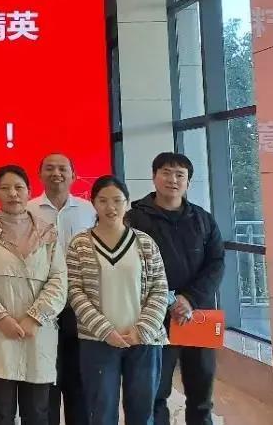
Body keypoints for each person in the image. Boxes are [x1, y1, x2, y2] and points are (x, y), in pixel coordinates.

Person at [0, 165, 67, 425]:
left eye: (19, 187)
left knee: (38, 411)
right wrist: (0, 316)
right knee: (0, 411)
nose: (13, 193)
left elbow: (58, 280)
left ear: (29, 192)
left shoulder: (47, 232)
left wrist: (35, 317)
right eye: (5, 188)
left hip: (38, 332)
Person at [126, 153, 224, 425]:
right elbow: (128, 267)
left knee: (201, 392)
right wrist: (168, 300)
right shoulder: (134, 219)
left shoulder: (203, 219)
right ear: (154, 177)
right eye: (166, 173)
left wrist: (189, 299)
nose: (173, 179)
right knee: (155, 391)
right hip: (153, 316)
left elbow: (216, 263)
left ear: (188, 182)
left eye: (180, 175)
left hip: (197, 314)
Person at [67, 175, 168, 425]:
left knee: (142, 412)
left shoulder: (145, 243)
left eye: (117, 200)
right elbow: (75, 291)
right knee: (101, 412)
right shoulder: (80, 243)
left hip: (144, 341)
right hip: (97, 340)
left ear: (127, 203)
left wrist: (141, 330)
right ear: (93, 203)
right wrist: (105, 331)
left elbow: (159, 289)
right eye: (103, 201)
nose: (110, 207)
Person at [30, 153, 95, 425]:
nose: (56, 173)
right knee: (46, 381)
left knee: (78, 381)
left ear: (73, 175)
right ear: (40, 174)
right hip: (41, 306)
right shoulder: (28, 210)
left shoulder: (89, 211)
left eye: (62, 169)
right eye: (49, 168)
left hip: (79, 306)